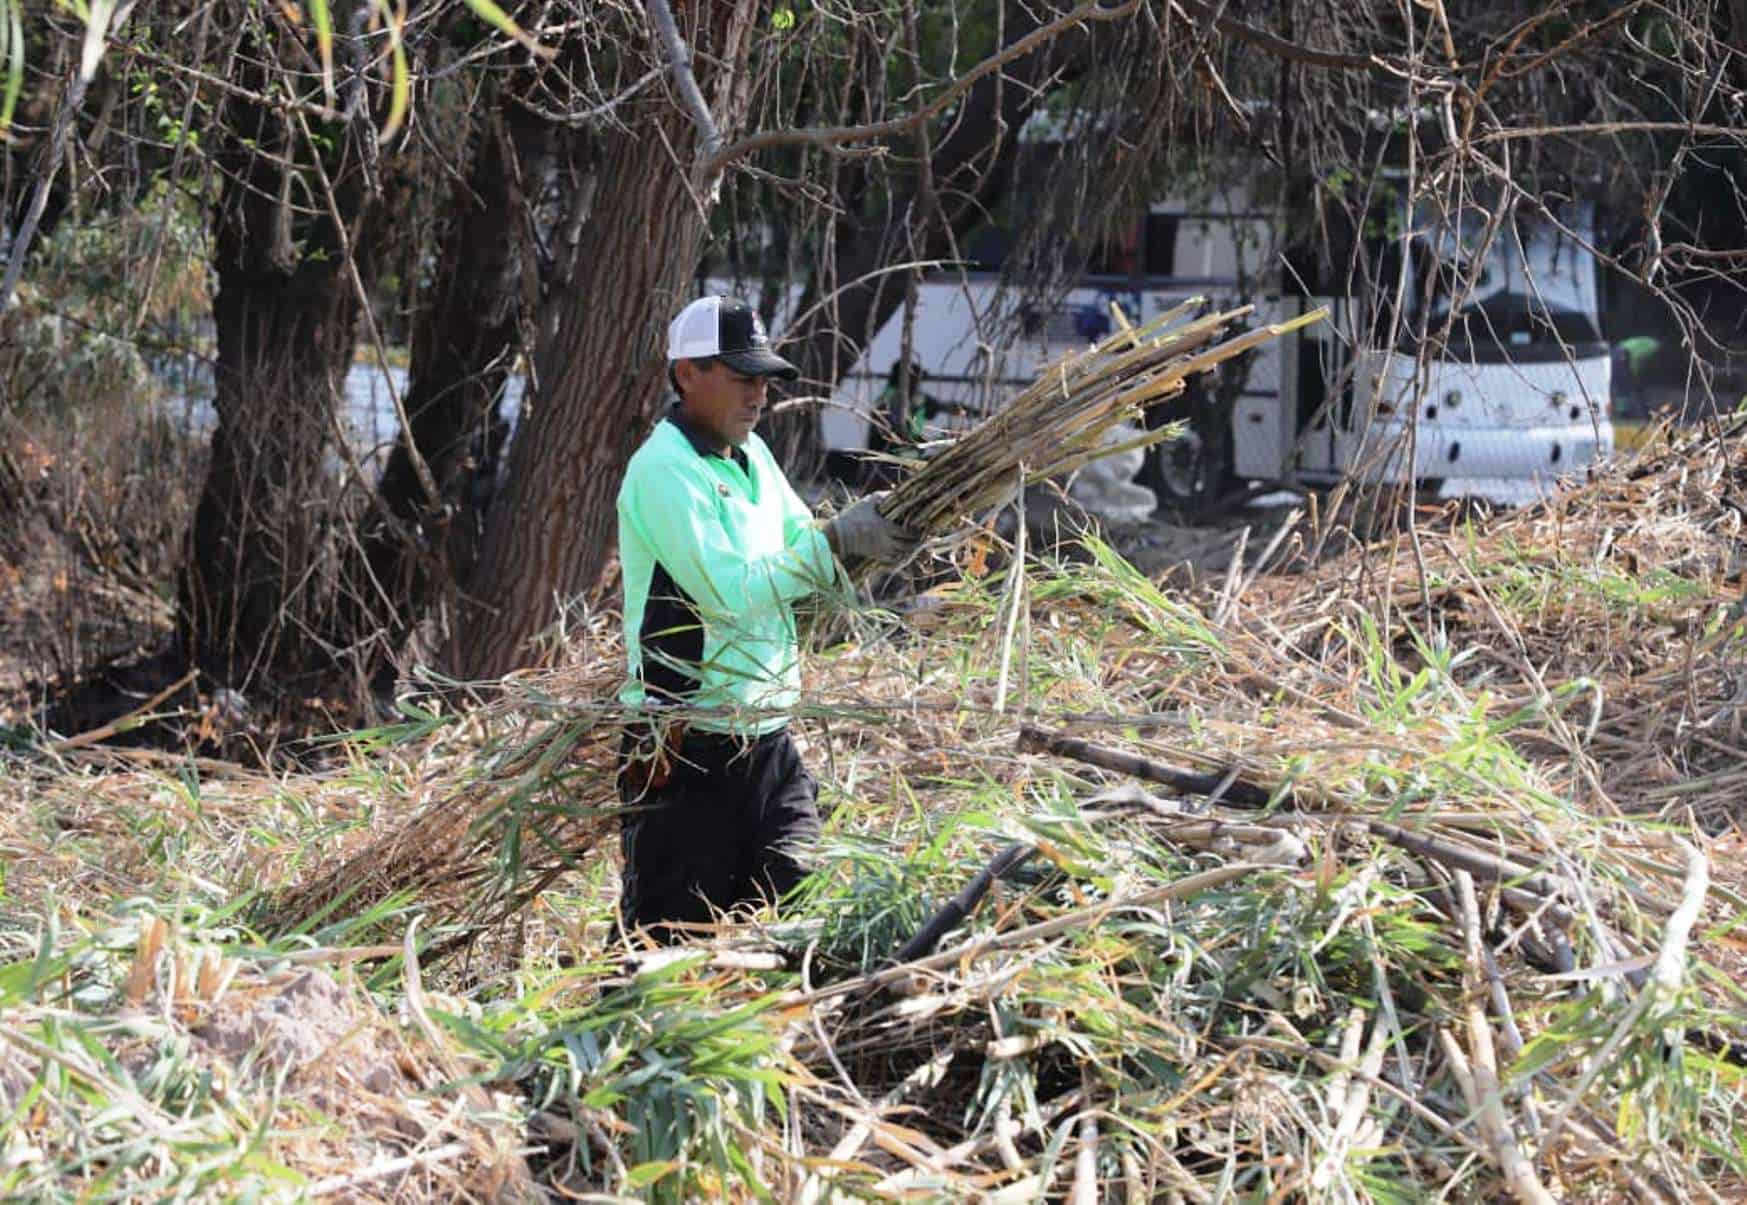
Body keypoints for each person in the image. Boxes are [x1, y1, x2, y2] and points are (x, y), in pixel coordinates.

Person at [614, 295, 920, 943]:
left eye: (764, 380)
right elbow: (730, 590)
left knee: (796, 910)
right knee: (670, 948)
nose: (759, 395)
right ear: (687, 374)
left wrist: (868, 543)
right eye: (742, 377)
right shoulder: (663, 471)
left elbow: (799, 544)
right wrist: (836, 541)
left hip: (767, 742)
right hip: (685, 753)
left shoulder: (752, 456)